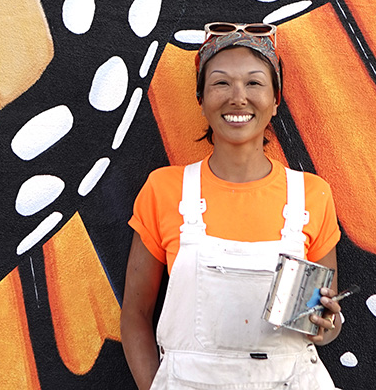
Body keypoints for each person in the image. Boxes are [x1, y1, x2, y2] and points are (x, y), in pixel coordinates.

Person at [121, 23, 343, 390]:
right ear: (201, 99)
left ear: (275, 100)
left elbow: (322, 322)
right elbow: (135, 314)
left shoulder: (311, 195)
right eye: (221, 83)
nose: (238, 97)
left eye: (254, 83)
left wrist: (326, 326)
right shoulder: (164, 189)